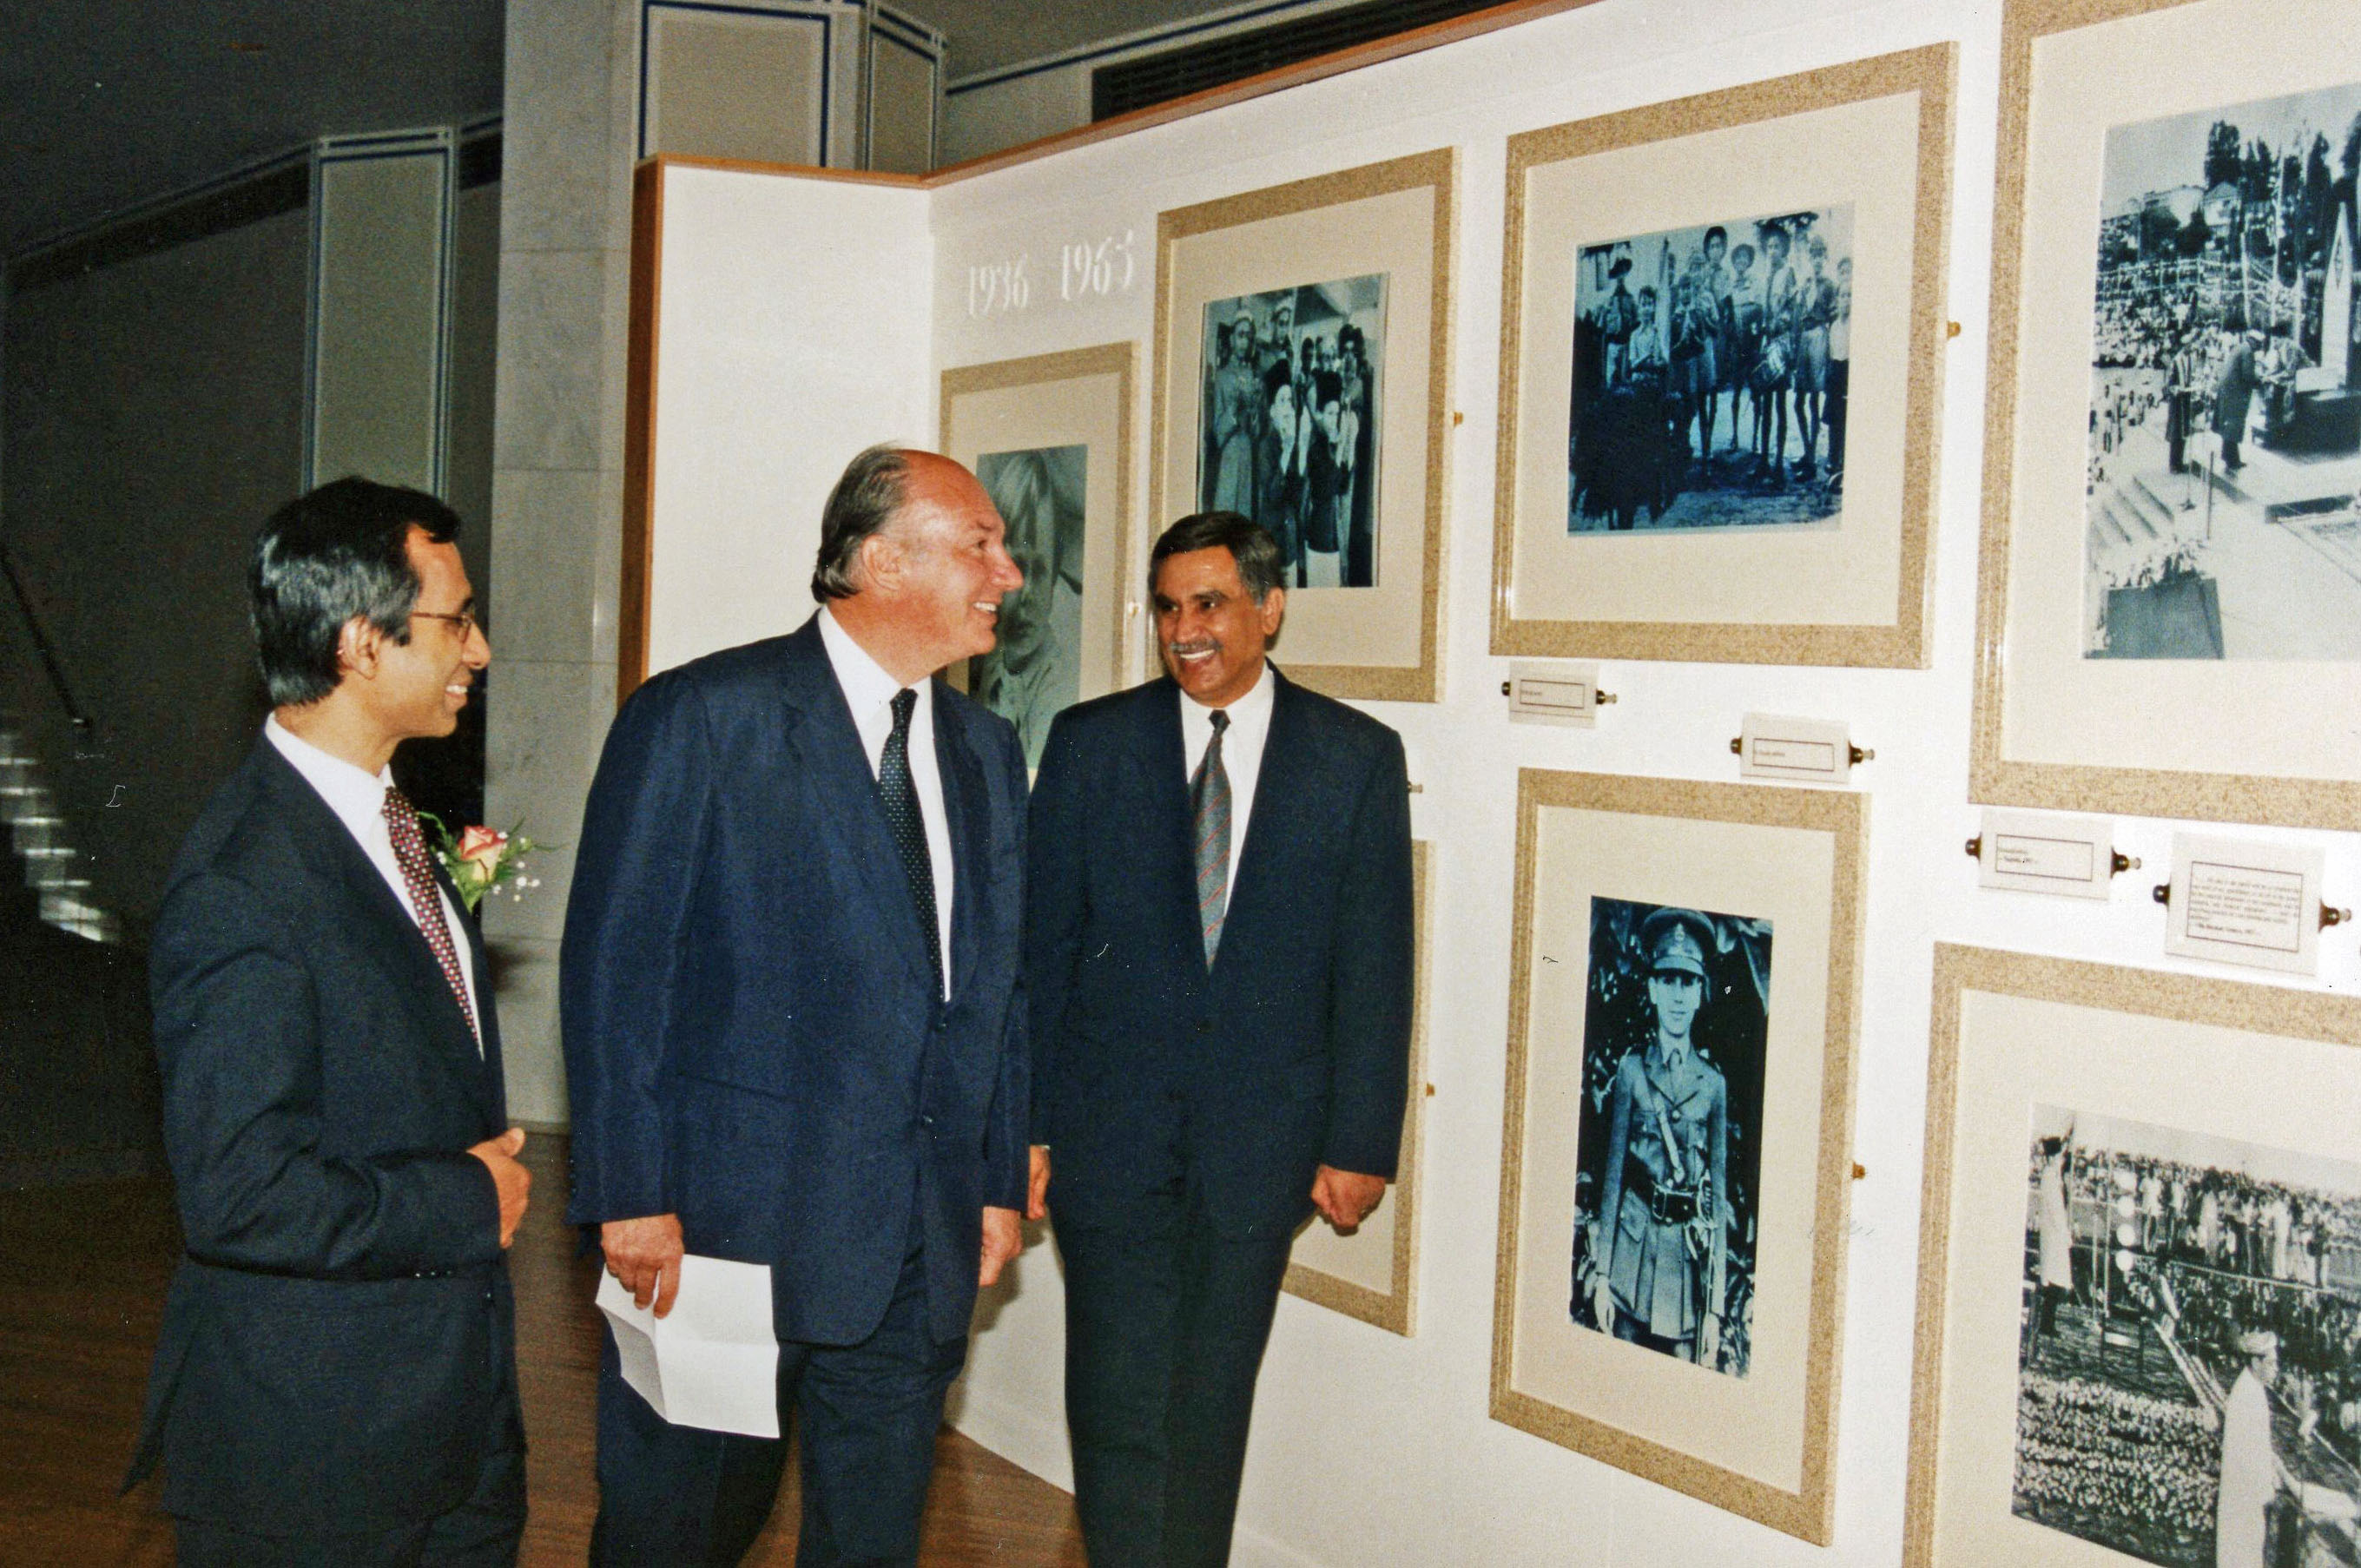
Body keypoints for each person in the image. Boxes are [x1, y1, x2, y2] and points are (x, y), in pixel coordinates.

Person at [562, 445, 1032, 1567]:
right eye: (979, 543)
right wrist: (629, 1191)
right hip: (725, 1233)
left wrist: (998, 1175)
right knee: (674, 1535)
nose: (1006, 573)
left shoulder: (985, 748)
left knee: (869, 1542)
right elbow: (616, 970)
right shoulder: (703, 715)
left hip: (916, 1236)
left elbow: (995, 986)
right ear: (878, 558)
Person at [126, 478, 531, 1565]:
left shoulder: (391, 821)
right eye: (455, 620)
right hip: (321, 1458)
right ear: (362, 641)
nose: (479, 649)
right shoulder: (244, 879)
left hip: (449, 1419)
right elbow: (240, 1195)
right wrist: (467, 1198)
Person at [1026, 512, 1415, 1567]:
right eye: (1166, 608)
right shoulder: (1088, 744)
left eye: (1209, 604)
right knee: (1114, 1401)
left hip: (1264, 1153)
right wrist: (1023, 1129)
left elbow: (1375, 969)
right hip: (1108, 1150)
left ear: (1269, 608)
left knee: (1209, 1402)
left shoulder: (1356, 759)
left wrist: (1361, 1142)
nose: (1184, 630)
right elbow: (1041, 955)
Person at [1588, 908, 1731, 1366]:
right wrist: (1603, 1275)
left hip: (1685, 1274)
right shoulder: (1632, 1072)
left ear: (1701, 994)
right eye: (1667, 980)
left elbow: (1720, 1200)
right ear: (1651, 988)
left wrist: (1714, 1313)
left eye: (1687, 983)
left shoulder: (1713, 1085)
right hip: (1631, 1262)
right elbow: (1611, 1184)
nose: (1676, 996)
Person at [2216, 1328, 2284, 1567]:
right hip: (2244, 1492)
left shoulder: (2253, 1388)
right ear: (2256, 1362)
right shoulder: (2246, 1395)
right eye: (2272, 1363)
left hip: (2246, 1493)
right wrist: (2268, 1486)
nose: (2276, 1369)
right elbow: (2247, 1454)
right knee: (2242, 1551)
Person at [2215, 326, 2260, 471]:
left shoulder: (2240, 348)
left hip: (2228, 392)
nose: (2260, 346)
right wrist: (2259, 381)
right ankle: (2232, 460)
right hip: (2235, 394)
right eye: (2259, 343)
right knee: (2233, 427)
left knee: (2229, 426)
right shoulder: (2247, 352)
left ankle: (2228, 456)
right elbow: (2248, 375)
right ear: (2253, 341)